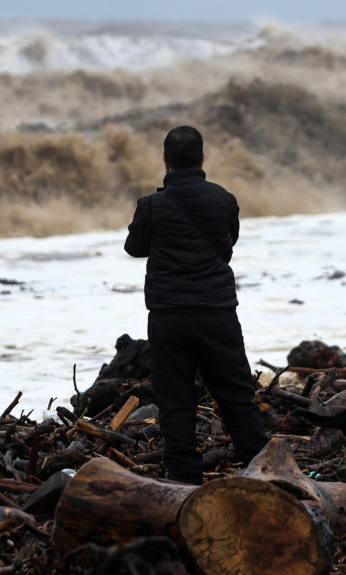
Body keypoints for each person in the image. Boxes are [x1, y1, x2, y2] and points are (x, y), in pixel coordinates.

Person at [124, 125, 269, 485]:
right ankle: (263, 470)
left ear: (165, 161)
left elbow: (134, 247)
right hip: (217, 312)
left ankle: (184, 476)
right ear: (203, 158)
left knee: (175, 399)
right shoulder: (224, 199)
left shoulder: (151, 206)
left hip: (169, 316)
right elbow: (227, 243)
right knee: (236, 393)